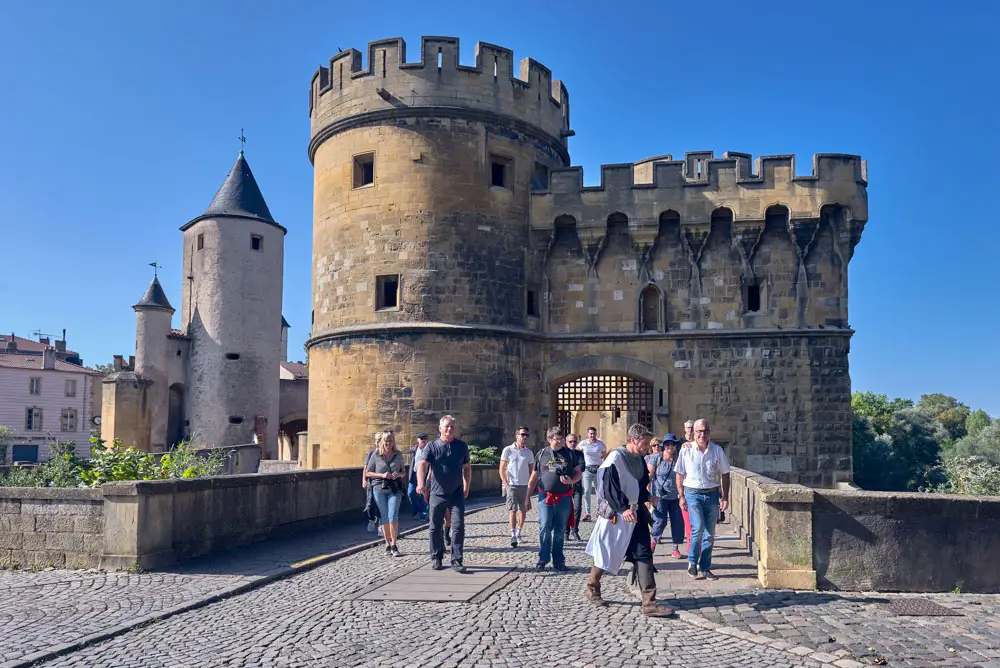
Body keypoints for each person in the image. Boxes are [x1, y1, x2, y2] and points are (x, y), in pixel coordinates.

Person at [584, 423, 674, 617]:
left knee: (644, 554)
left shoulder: (639, 459)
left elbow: (640, 485)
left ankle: (649, 603)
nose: (648, 446)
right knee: (606, 551)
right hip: (616, 515)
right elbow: (609, 488)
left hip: (636, 515)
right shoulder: (615, 458)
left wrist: (647, 497)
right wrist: (622, 508)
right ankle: (593, 585)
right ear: (634, 440)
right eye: (645, 442)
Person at [676, 418, 731, 581]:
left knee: (709, 534)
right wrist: (681, 495)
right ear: (693, 432)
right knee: (698, 528)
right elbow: (679, 473)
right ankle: (692, 561)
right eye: (699, 431)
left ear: (709, 432)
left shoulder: (717, 450)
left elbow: (726, 473)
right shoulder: (686, 450)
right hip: (692, 493)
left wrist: (725, 496)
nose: (702, 434)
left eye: (705, 431)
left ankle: (705, 567)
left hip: (712, 493)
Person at [417, 415, 472, 573]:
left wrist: (467, 486)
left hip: (456, 493)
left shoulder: (461, 446)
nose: (449, 429)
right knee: (435, 527)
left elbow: (467, 468)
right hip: (437, 493)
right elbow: (422, 465)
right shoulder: (432, 446)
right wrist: (421, 484)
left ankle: (456, 559)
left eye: (452, 427)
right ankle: (436, 557)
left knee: (458, 526)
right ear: (440, 428)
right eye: (446, 426)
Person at [527, 426, 581, 572]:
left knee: (560, 530)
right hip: (546, 496)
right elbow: (534, 476)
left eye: (561, 438)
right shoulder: (542, 453)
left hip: (563, 497)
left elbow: (578, 473)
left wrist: (571, 482)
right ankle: (543, 558)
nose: (560, 441)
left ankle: (558, 560)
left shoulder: (570, 454)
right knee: (544, 526)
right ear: (549, 439)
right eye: (557, 439)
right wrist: (527, 497)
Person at [365, 430, 406, 556]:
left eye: (391, 440)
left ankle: (394, 544)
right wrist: (382, 475)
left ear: (394, 442)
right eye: (387, 441)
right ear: (383, 442)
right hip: (379, 488)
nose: (389, 443)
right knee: (384, 516)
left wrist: (398, 474)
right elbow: (368, 472)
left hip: (395, 489)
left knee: (393, 515)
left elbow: (403, 471)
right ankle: (387, 544)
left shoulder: (398, 454)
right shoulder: (376, 454)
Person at [648, 434, 685, 559]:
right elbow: (649, 476)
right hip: (660, 496)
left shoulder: (679, 458)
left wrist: (683, 495)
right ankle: (652, 543)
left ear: (675, 446)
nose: (670, 447)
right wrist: (647, 495)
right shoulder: (656, 458)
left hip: (676, 497)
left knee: (677, 523)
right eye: (667, 444)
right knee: (660, 521)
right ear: (664, 446)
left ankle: (675, 549)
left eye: (672, 444)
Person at [500, 426, 535, 548]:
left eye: (526, 435)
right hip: (512, 485)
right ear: (517, 435)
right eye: (522, 434)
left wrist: (531, 487)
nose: (524, 437)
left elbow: (532, 471)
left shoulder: (529, 453)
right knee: (512, 510)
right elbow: (502, 468)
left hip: (524, 485)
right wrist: (506, 483)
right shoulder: (508, 450)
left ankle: (519, 531)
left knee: (523, 510)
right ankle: (513, 535)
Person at [579, 427, 607, 521]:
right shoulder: (583, 443)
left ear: (596, 434)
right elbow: (576, 451)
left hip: (598, 469)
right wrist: (580, 462)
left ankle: (599, 511)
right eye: (590, 433)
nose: (592, 435)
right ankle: (588, 513)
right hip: (587, 469)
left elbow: (604, 455)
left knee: (598, 491)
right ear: (588, 434)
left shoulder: (600, 444)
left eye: (594, 433)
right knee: (586, 491)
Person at [564, 433, 584, 542]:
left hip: (577, 484)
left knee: (577, 508)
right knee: (566, 509)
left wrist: (571, 469)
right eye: (570, 441)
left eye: (574, 442)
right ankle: (566, 532)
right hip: (565, 486)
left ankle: (575, 530)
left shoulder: (579, 454)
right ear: (566, 442)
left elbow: (582, 467)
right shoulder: (563, 454)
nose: (572, 443)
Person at [406, 433, 429, 520]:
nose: (423, 440)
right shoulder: (414, 450)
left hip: (425, 474)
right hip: (414, 473)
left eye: (425, 438)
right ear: (417, 440)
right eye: (421, 438)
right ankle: (417, 509)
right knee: (410, 492)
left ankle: (423, 513)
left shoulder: (429, 449)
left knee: (423, 493)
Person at [361, 448, 381, 534]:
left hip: (381, 483)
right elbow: (365, 468)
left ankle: (381, 526)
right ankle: (372, 519)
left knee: (381, 505)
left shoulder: (387, 453)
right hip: (371, 482)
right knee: (369, 505)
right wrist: (364, 480)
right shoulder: (371, 453)